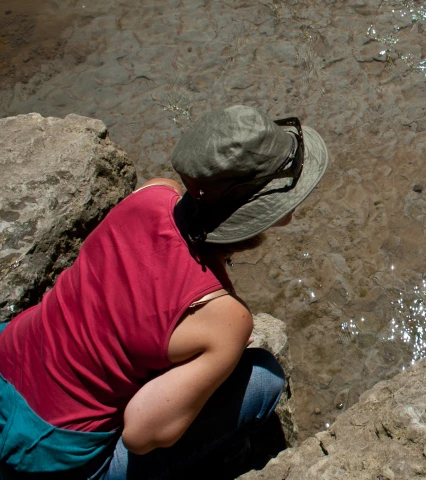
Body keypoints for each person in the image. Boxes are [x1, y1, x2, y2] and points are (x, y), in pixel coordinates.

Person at [0, 105, 329, 479]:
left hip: (8, 364)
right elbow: (141, 434)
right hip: (47, 454)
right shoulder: (224, 319)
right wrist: (222, 349)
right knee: (265, 378)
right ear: (271, 210)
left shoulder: (152, 195)